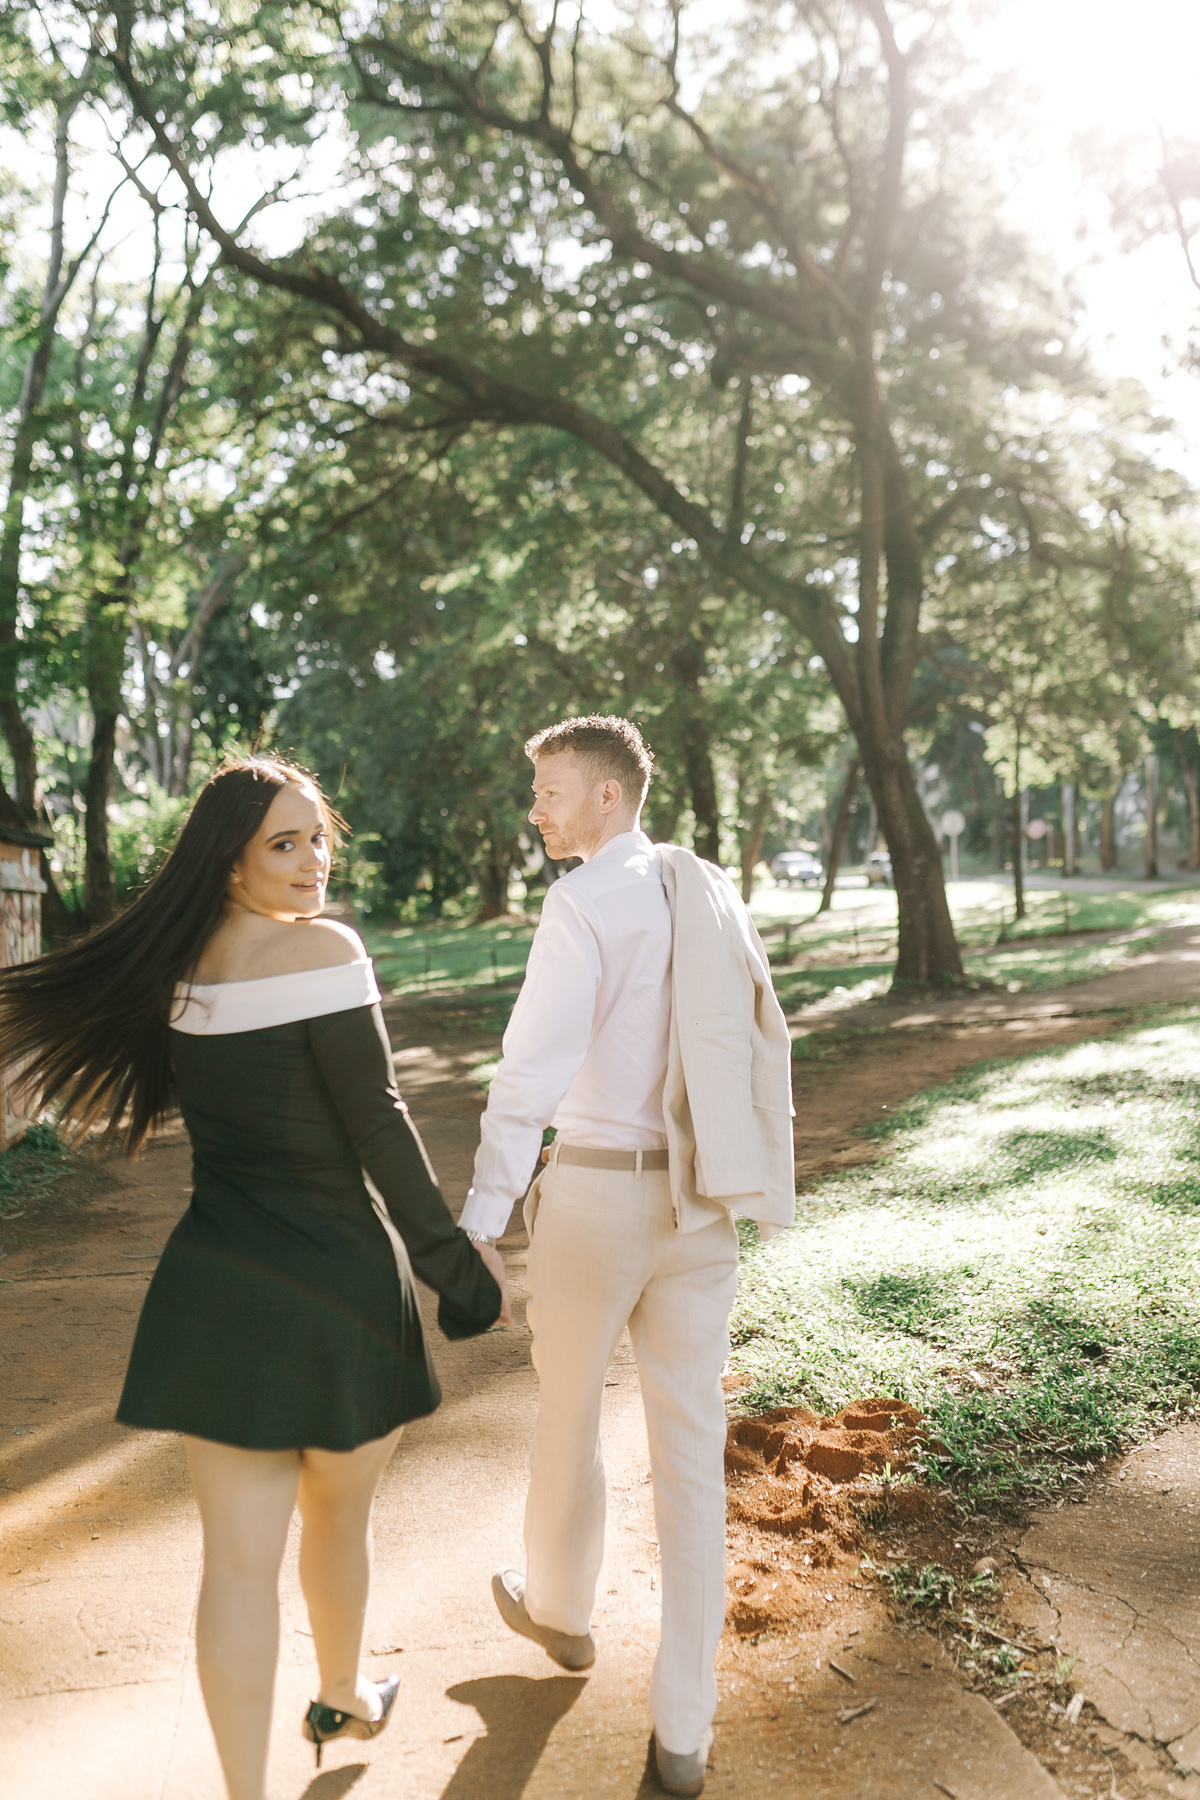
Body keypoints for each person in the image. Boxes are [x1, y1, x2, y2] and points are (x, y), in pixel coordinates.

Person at [0, 756, 510, 1800]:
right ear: (228, 860)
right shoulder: (325, 951)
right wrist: (459, 1269)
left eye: (320, 837)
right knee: (339, 1522)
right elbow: (380, 1126)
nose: (315, 860)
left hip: (217, 1288)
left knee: (234, 1567)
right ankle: (346, 1692)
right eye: (286, 842)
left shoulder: (181, 971)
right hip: (338, 1291)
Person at [458, 716, 795, 1798]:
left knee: (568, 1414)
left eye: (551, 790)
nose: (538, 811)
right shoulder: (706, 891)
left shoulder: (582, 901)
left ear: (608, 795)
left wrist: (482, 1219)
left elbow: (529, 1071)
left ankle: (561, 1612)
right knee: (692, 1457)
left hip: (598, 1195)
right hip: (700, 1204)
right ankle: (683, 1735)